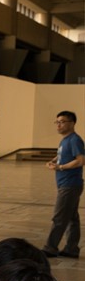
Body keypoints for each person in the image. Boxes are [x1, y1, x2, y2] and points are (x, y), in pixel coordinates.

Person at [42, 110, 84, 259]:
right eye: (57, 122)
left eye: (62, 122)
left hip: (70, 184)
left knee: (59, 217)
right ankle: (71, 249)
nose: (58, 125)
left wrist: (60, 167)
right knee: (72, 218)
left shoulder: (74, 140)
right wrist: (54, 161)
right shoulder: (65, 140)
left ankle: (50, 248)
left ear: (72, 123)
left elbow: (80, 160)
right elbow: (63, 155)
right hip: (66, 184)